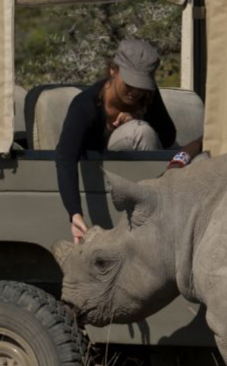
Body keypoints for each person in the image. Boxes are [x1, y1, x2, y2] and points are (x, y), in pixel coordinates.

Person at [56, 39, 177, 244]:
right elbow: (65, 157)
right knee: (140, 133)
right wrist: (74, 213)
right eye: (130, 83)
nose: (136, 91)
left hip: (132, 172)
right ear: (113, 70)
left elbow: (167, 137)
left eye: (142, 84)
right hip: (102, 167)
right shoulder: (85, 106)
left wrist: (138, 115)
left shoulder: (145, 97)